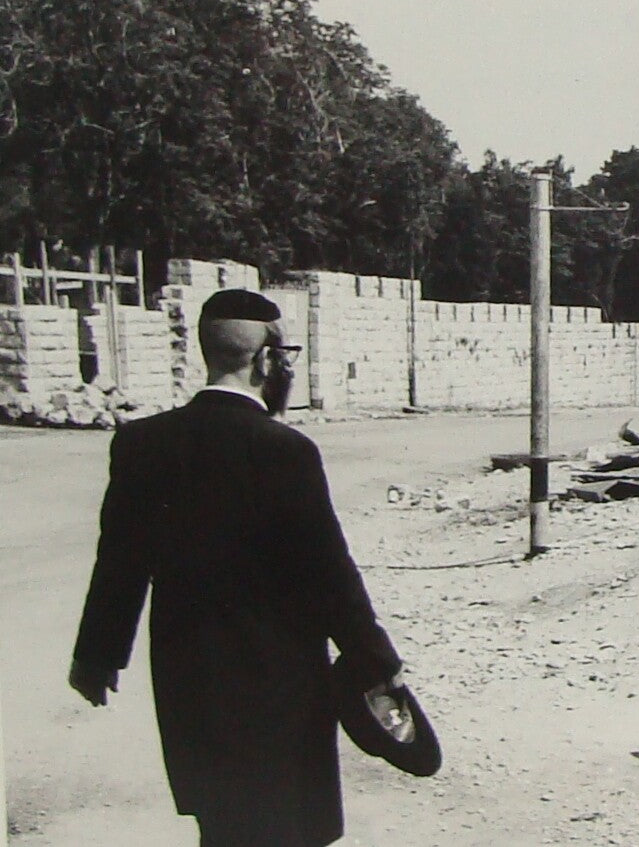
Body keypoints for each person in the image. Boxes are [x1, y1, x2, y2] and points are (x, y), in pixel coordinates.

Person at [69, 288, 403, 847]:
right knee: (283, 826)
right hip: (280, 686)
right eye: (286, 354)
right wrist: (377, 661)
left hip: (187, 682)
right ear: (266, 360)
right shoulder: (285, 450)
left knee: (222, 826)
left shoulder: (141, 443)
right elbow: (329, 573)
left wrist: (96, 657)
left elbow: (119, 563)